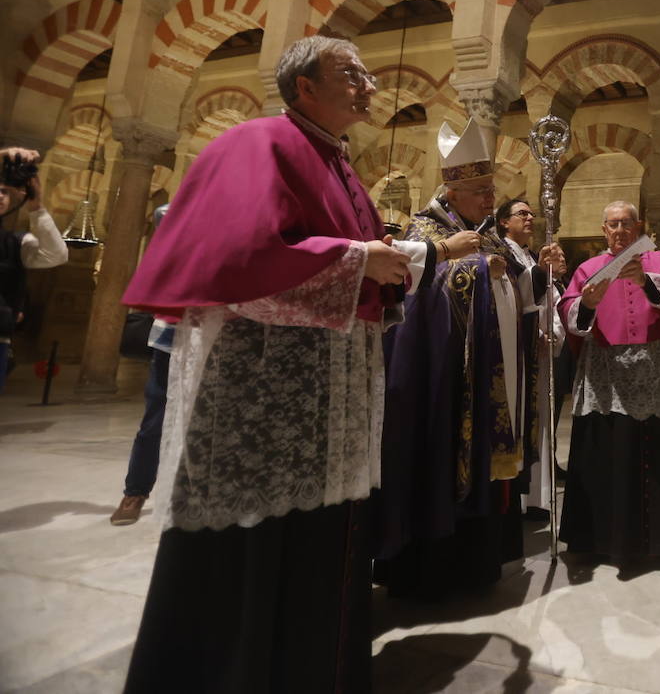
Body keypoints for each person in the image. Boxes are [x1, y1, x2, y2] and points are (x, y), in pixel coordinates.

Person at [120, 35, 437, 692]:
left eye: (367, 74)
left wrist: (383, 261)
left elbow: (359, 258)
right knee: (254, 543)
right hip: (258, 399)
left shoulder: (340, 163)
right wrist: (360, 259)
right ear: (303, 87)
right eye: (350, 74)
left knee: (316, 537)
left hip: (325, 397)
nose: (367, 85)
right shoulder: (258, 143)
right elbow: (241, 256)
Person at [375, 121, 538, 597]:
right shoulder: (425, 229)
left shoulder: (479, 232)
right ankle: (433, 572)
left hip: (483, 372)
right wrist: (474, 270)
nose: (491, 201)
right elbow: (417, 293)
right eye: (481, 191)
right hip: (441, 378)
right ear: (452, 189)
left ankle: (480, 562)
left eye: (491, 191)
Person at [557, 201, 660, 566]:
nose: (619, 229)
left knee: (657, 456)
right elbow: (570, 316)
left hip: (655, 376)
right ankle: (601, 538)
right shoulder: (588, 269)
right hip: (607, 379)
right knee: (610, 455)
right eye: (612, 224)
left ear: (638, 226)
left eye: (625, 223)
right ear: (603, 230)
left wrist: (644, 280)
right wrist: (585, 304)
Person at [496, 196, 568, 523]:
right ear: (503, 222)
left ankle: (536, 498)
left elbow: (551, 298)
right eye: (521, 213)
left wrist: (552, 330)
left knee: (541, 425)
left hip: (538, 351)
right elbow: (510, 296)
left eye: (531, 213)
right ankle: (519, 500)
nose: (529, 218)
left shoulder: (527, 253)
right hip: (516, 351)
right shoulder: (500, 252)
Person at [110, 205, 172, 527]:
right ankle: (135, 491)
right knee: (155, 418)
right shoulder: (178, 213)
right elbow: (163, 213)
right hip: (173, 334)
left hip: (222, 332)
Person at [0, 146, 68, 394]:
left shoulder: (14, 243)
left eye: (5, 192)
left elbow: (55, 254)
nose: (0, 196)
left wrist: (37, 208)